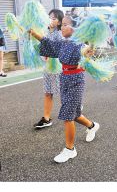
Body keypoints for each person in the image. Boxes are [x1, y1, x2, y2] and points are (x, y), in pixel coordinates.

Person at [29, 16, 100, 163]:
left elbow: (86, 51)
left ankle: (70, 149)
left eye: (66, 25)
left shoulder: (79, 44)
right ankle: (92, 126)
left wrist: (90, 50)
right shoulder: (62, 43)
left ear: (74, 28)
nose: (62, 27)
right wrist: (33, 33)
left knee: (68, 115)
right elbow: (47, 42)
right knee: (74, 114)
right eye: (62, 25)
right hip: (65, 78)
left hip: (76, 81)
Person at [34, 9, 64, 129]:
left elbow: (53, 48)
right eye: (49, 17)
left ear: (59, 22)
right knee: (48, 92)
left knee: (63, 92)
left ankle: (75, 107)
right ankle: (46, 118)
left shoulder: (60, 34)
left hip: (59, 67)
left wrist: (38, 37)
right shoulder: (44, 31)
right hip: (47, 67)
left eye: (54, 18)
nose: (51, 20)